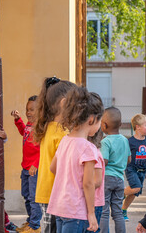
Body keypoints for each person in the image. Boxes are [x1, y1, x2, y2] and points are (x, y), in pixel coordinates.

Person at [47, 87, 104, 233]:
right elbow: (88, 183)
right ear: (92, 119)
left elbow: (53, 168)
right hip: (76, 210)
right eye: (99, 122)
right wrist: (91, 213)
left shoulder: (65, 141)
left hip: (60, 207)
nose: (99, 127)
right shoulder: (88, 148)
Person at [33, 77, 76, 233]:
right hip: (55, 193)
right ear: (64, 104)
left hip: (47, 191)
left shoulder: (49, 127)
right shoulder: (62, 133)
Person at [11, 95, 42, 233]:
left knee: (33, 197)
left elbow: (44, 149)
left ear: (40, 110)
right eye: (27, 110)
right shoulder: (29, 125)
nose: (28, 112)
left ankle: (35, 226)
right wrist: (18, 120)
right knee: (26, 195)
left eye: (32, 110)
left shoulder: (41, 127)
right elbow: (23, 132)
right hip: (25, 167)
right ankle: (30, 221)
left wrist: (36, 164)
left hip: (34, 168)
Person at [99, 107, 131, 233]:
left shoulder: (105, 141)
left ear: (104, 125)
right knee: (118, 212)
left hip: (106, 178)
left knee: (104, 211)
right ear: (120, 124)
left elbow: (104, 161)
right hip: (119, 179)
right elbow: (129, 159)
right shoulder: (124, 140)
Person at [122, 114, 146, 222]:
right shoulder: (129, 142)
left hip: (142, 170)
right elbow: (125, 156)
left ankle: (123, 210)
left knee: (134, 192)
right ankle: (119, 193)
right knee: (136, 188)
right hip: (132, 168)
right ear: (138, 127)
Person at [85, 128, 105, 233]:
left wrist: (84, 186)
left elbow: (97, 181)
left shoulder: (94, 154)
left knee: (91, 229)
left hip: (95, 201)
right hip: (91, 200)